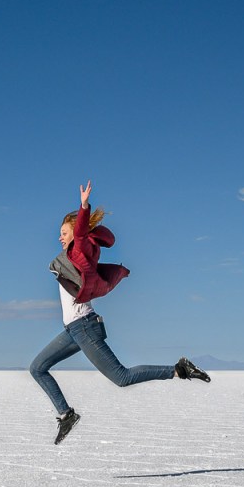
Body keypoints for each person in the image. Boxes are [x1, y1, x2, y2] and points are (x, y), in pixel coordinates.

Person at [29, 180, 210, 445]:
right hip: (73, 330)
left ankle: (178, 369)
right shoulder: (69, 260)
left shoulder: (80, 249)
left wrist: (84, 207)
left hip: (84, 327)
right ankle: (66, 415)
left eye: (63, 232)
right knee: (37, 367)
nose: (60, 237)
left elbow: (80, 234)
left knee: (121, 377)